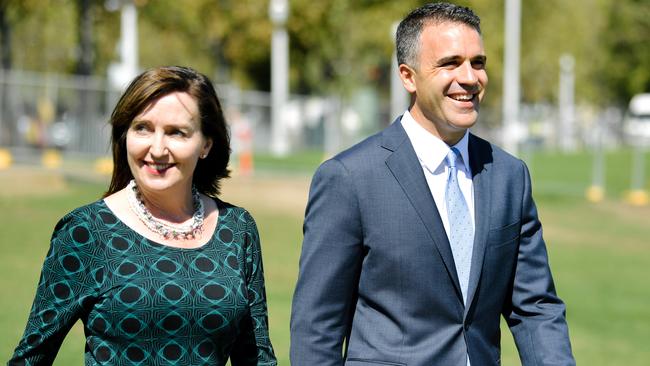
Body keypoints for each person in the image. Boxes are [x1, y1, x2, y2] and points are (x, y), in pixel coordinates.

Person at [290, 3, 575, 366]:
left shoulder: (509, 176)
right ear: (408, 77)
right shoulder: (349, 179)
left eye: (478, 62)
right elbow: (317, 327)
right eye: (450, 63)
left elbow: (535, 308)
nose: (470, 77)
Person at [9, 66, 277, 365]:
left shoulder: (237, 228)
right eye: (143, 128)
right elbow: (30, 359)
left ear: (206, 144)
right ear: (125, 135)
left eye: (177, 132)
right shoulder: (87, 231)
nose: (157, 148)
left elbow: (257, 358)